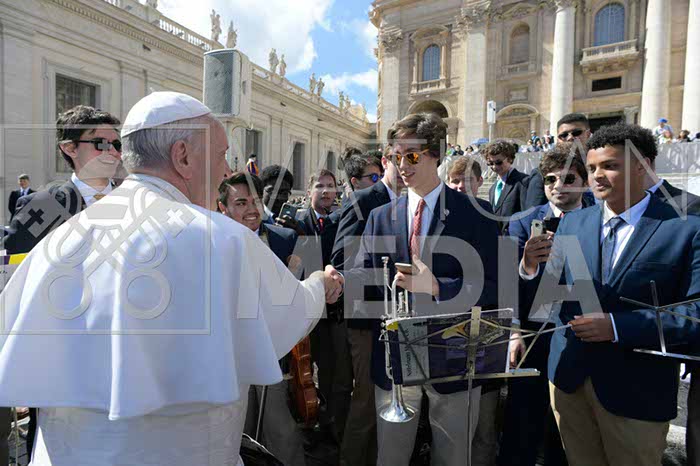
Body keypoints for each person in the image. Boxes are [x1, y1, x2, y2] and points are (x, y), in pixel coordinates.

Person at [0, 91, 344, 466]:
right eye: (221, 155)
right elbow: (287, 314)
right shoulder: (222, 239)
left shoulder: (60, 240)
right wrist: (319, 285)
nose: (226, 171)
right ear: (182, 156)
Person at [530, 123, 700, 466]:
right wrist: (529, 267)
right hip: (568, 381)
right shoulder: (573, 222)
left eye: (609, 166)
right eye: (592, 167)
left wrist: (618, 327)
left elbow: (694, 313)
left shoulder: (686, 227)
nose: (597, 176)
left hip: (636, 391)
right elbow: (550, 297)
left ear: (643, 166)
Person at [346, 113, 500, 466]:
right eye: (395, 156)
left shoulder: (478, 213)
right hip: (396, 359)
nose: (402, 165)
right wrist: (336, 280)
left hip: (455, 355)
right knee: (391, 457)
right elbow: (366, 275)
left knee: (453, 458)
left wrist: (438, 287)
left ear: (436, 154)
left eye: (411, 156)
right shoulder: (380, 216)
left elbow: (494, 287)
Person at [1, 105, 123, 461]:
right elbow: (15, 281)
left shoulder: (138, 201)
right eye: (100, 143)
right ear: (69, 148)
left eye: (117, 144)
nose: (113, 152)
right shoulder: (46, 204)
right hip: (64, 362)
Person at [498, 143, 592, 466]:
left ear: (584, 181)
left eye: (568, 178)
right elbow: (506, 281)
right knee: (521, 421)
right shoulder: (523, 221)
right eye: (550, 179)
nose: (558, 186)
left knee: (566, 428)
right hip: (532, 334)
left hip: (581, 335)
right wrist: (527, 265)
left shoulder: (599, 219)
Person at [217, 172, 307, 466]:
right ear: (223, 208)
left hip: (274, 353)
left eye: (255, 201)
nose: (251, 209)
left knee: (281, 429)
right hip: (229, 358)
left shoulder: (285, 239)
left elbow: (298, 296)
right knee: (237, 431)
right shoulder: (211, 242)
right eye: (241, 203)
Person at [331, 147, 404, 466]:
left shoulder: (415, 203)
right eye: (401, 159)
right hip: (368, 319)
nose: (407, 166)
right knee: (366, 400)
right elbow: (341, 261)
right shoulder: (363, 200)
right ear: (387, 161)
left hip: (403, 316)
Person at [286, 170, 353, 458]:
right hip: (300, 311)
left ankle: (330, 429)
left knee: (333, 374)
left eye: (331, 186)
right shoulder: (295, 222)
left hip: (332, 313)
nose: (326, 191)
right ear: (309, 190)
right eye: (320, 186)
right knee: (298, 374)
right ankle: (302, 427)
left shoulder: (341, 222)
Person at [525, 113, 592, 209]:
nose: (570, 138)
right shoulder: (541, 173)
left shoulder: (602, 168)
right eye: (563, 135)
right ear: (558, 140)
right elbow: (534, 212)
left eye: (576, 133)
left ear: (588, 134)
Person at [485, 139, 528, 234]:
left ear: (510, 159)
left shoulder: (524, 181)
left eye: (498, 162)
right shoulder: (492, 189)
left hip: (516, 238)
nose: (494, 167)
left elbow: (526, 215)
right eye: (490, 163)